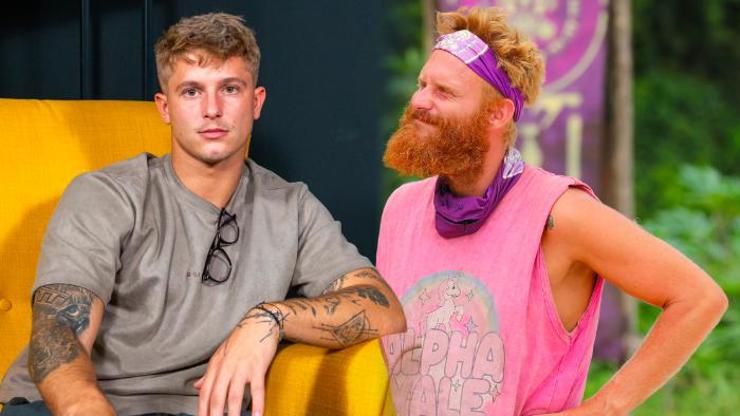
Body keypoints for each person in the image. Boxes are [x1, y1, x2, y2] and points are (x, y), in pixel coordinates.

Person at [0, 12, 405, 416]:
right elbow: (57, 333)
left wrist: (271, 318)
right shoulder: (107, 194)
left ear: (256, 102)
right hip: (70, 407)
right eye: (192, 92)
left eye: (229, 89)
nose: (212, 109)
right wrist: (84, 407)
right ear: (165, 107)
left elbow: (383, 307)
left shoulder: (291, 207)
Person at [378, 7, 727, 416]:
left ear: (497, 113)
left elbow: (698, 298)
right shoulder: (402, 208)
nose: (419, 101)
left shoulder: (560, 213)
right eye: (422, 84)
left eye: (444, 92)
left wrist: (606, 408)